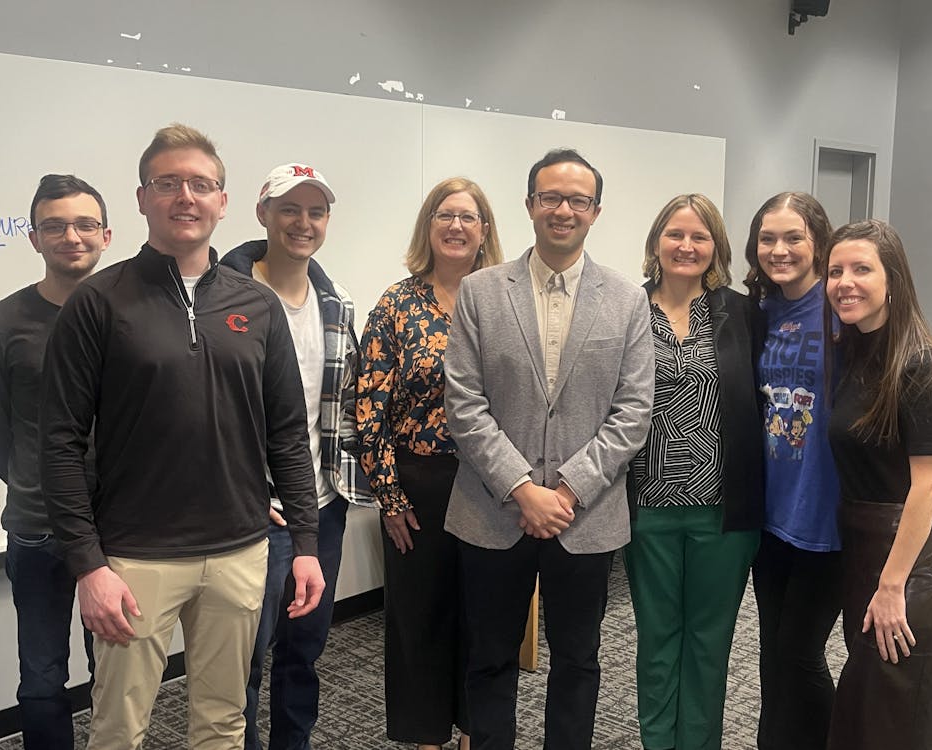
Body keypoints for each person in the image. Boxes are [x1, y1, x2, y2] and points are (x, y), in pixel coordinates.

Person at [39, 124, 325, 750]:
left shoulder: (258, 305)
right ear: (142, 198)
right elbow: (58, 443)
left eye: (201, 184)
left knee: (223, 724)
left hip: (240, 554)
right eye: (168, 184)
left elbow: (285, 435)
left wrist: (304, 542)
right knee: (118, 728)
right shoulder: (98, 303)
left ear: (223, 200)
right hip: (134, 560)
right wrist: (89, 566)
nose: (185, 197)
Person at [443, 149, 655, 750]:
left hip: (584, 516)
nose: (563, 209)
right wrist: (520, 488)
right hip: (492, 512)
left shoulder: (626, 299)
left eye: (577, 200)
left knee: (579, 663)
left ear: (595, 211)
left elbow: (633, 410)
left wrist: (565, 490)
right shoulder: (482, 291)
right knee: (487, 661)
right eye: (551, 198)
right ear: (530, 205)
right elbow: (464, 402)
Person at [220, 163, 375, 750]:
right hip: (253, 511)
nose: (302, 223)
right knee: (244, 657)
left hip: (320, 506)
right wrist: (245, 489)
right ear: (262, 215)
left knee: (305, 648)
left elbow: (337, 407)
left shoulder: (335, 306)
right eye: (289, 209)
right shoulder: (221, 299)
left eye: (315, 212)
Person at [358, 176, 504, 750]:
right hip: (420, 485)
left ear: (485, 230)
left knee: (482, 616)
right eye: (445, 215)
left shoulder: (501, 302)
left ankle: (474, 731)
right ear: (429, 226)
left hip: (493, 483)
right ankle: (425, 738)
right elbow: (368, 408)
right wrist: (390, 498)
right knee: (419, 619)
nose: (456, 226)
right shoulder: (397, 303)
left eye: (468, 217)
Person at [625, 194, 764, 750]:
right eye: (676, 234)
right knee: (657, 640)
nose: (687, 246)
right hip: (646, 506)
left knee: (710, 642)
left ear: (716, 248)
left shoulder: (742, 313)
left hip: (723, 511)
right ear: (657, 241)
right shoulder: (627, 310)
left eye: (700, 237)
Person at [0, 174, 109, 749]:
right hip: (36, 532)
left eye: (84, 224)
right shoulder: (0, 323)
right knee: (41, 680)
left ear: (106, 234)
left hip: (118, 526)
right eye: (54, 225)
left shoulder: (124, 317)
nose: (71, 236)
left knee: (117, 672)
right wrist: (40, 485)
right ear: (34, 238)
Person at [824, 220, 932, 750]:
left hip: (910, 562)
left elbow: (927, 487)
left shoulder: (922, 366)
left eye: (862, 269)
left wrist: (892, 585)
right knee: (864, 701)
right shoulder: (858, 351)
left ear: (893, 282)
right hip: (863, 547)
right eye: (836, 271)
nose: (845, 282)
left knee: (898, 711)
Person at [743, 192, 842, 750]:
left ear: (818, 243)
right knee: (772, 651)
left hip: (824, 515)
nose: (778, 250)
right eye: (767, 239)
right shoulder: (759, 313)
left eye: (793, 238)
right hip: (771, 515)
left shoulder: (840, 308)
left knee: (799, 655)